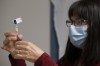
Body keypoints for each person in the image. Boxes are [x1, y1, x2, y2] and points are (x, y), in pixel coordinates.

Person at [1, 0, 100, 66]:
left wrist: (42, 59)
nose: (72, 27)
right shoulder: (72, 58)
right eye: (72, 22)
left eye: (79, 21)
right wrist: (17, 56)